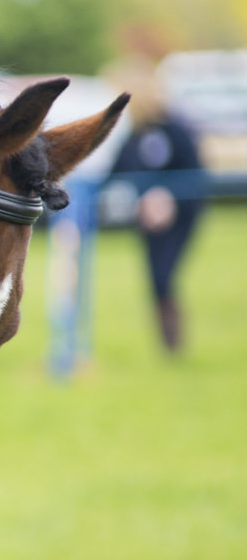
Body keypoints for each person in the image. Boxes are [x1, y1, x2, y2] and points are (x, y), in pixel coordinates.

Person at [107, 57, 207, 353]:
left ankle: (173, 343)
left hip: (181, 217)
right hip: (148, 220)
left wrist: (168, 196)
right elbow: (115, 174)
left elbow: (196, 175)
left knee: (164, 275)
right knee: (155, 280)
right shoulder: (132, 136)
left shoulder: (176, 130)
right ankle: (169, 346)